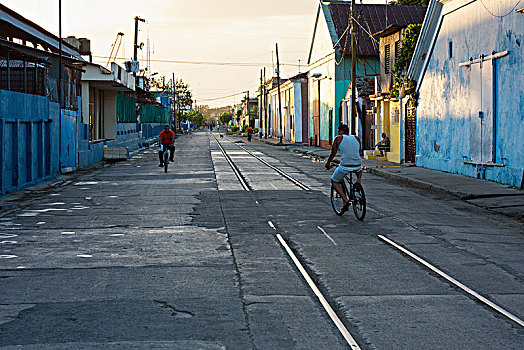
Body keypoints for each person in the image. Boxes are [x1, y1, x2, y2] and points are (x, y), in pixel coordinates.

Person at [325, 124, 362, 212]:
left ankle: (345, 200)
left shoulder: (338, 138)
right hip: (357, 164)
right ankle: (358, 181)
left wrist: (328, 164)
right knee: (358, 169)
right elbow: (356, 151)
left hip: (345, 165)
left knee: (334, 181)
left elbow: (333, 153)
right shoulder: (356, 138)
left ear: (340, 131)